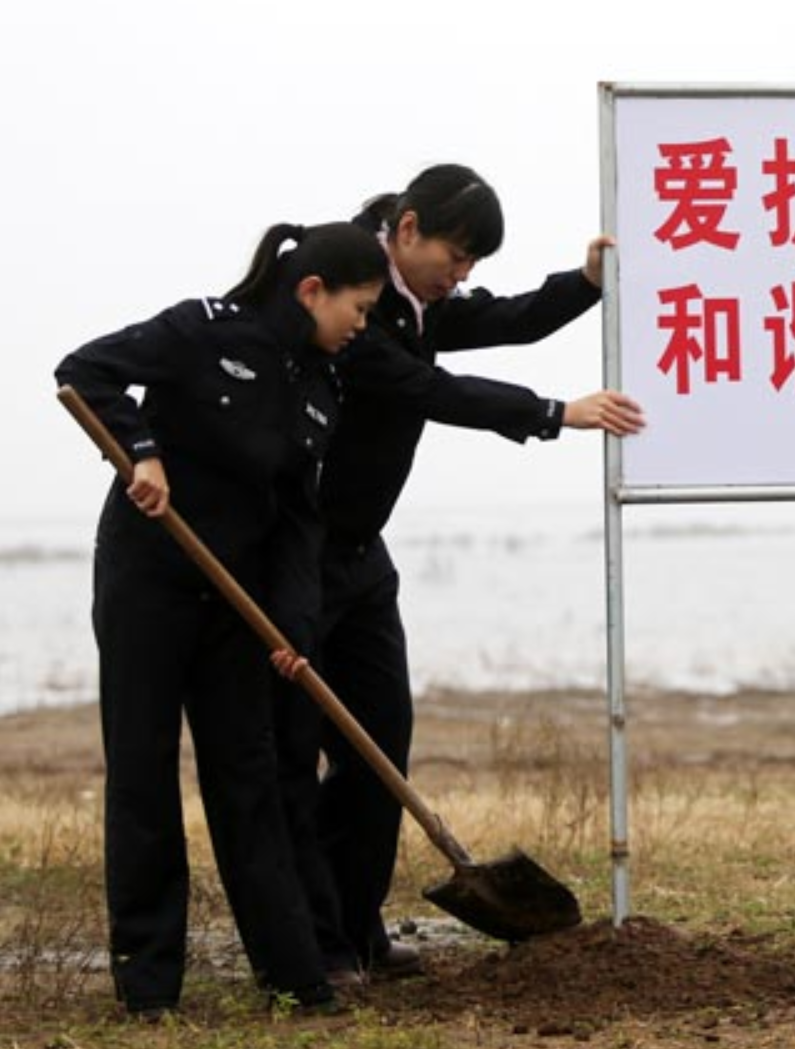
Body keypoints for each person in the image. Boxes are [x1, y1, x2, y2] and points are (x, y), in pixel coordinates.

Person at [281, 163, 645, 979]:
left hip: (361, 554)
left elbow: (508, 318)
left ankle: (360, 925)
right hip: (296, 549)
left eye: (474, 261)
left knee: (381, 736)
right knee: (299, 749)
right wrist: (556, 412)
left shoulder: (420, 303)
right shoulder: (354, 302)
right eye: (457, 253)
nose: (464, 274)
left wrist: (584, 283)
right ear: (407, 231)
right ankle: (317, 944)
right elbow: (427, 388)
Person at [56, 222, 389, 1017]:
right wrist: (142, 450)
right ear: (313, 291)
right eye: (361, 307)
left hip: (233, 599)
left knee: (249, 777)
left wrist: (294, 631)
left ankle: (293, 973)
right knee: (141, 772)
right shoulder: (201, 331)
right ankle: (148, 987)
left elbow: (300, 524)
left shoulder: (319, 386)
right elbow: (85, 371)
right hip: (149, 575)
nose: (363, 325)